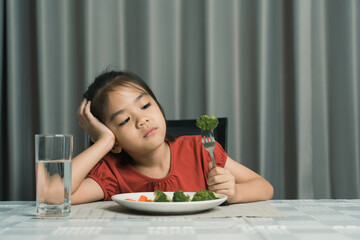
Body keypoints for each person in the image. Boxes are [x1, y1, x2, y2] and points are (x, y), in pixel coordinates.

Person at [71, 70, 273, 204]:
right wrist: (103, 141)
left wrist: (234, 193)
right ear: (114, 143)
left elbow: (264, 188)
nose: (142, 120)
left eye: (145, 106)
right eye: (124, 120)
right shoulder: (112, 173)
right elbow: (54, 196)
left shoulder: (200, 150)